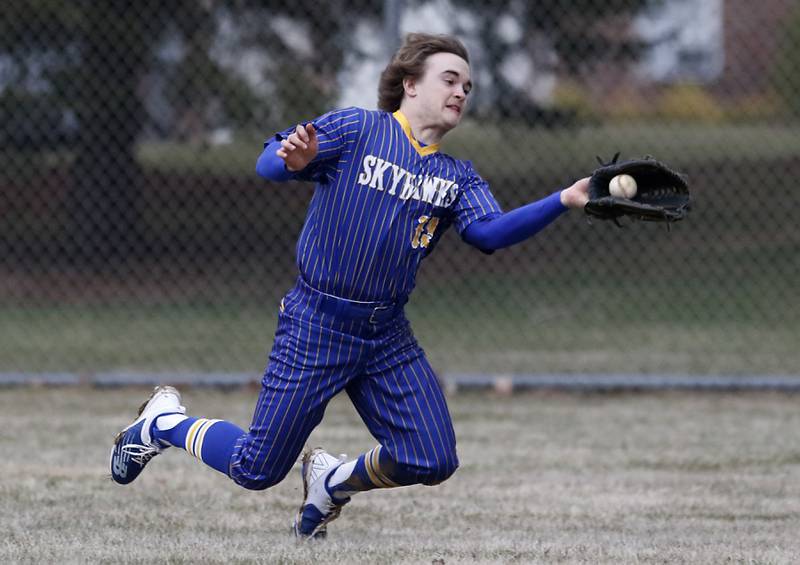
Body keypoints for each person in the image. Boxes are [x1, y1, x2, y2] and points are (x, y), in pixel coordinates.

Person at [109, 32, 590, 539]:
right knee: (257, 469)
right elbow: (269, 161)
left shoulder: (458, 177)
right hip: (317, 324)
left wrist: (563, 199)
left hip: (386, 336)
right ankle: (162, 423)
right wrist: (289, 160)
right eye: (449, 79)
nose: (460, 92)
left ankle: (332, 479)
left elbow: (489, 234)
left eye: (468, 86)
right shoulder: (358, 129)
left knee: (432, 457)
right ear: (410, 85)